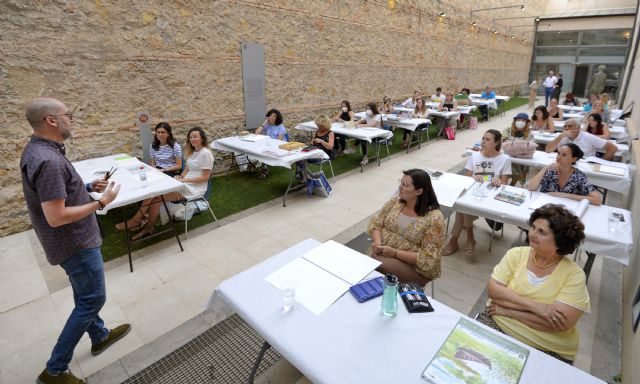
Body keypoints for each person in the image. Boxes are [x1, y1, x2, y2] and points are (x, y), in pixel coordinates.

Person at [20, 97, 130, 384]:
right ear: (51, 121)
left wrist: (87, 187)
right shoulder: (48, 160)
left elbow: (53, 193)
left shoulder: (39, 151)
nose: (72, 118)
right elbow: (56, 216)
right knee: (93, 299)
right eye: (68, 114)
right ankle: (55, 369)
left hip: (69, 243)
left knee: (84, 295)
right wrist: (100, 202)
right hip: (75, 244)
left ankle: (100, 336)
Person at [478, 204, 589, 364]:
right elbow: (494, 291)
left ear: (560, 241)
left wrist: (507, 311)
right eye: (533, 227)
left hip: (548, 347)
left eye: (542, 232)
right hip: (498, 324)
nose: (532, 234)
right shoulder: (516, 254)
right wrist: (536, 307)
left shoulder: (574, 275)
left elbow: (559, 323)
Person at [116, 127, 214, 238]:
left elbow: (205, 178)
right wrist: (180, 176)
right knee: (155, 195)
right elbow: (187, 168)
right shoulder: (193, 152)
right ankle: (146, 225)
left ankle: (137, 221)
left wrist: (184, 180)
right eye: (190, 137)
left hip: (195, 188)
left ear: (202, 138)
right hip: (185, 183)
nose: (192, 139)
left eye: (195, 136)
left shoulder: (206, 153)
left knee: (156, 195)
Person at [367, 169, 445, 286]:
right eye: (401, 183)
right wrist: (378, 242)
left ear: (419, 191)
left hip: (415, 269)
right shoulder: (395, 203)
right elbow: (376, 224)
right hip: (383, 254)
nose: (400, 187)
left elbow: (427, 258)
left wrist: (394, 253)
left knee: (374, 263)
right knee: (370, 264)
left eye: (405, 185)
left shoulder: (434, 218)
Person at [443, 130, 512, 258]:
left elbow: (505, 185)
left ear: (497, 142)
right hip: (475, 194)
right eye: (483, 138)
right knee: (463, 205)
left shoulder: (505, 159)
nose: (483, 141)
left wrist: (499, 181)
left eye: (487, 139)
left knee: (462, 207)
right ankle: (469, 238)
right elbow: (467, 177)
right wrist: (474, 177)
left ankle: (456, 240)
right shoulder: (475, 155)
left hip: (491, 199)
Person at [526, 143, 601, 205]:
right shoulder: (551, 170)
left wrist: (563, 195)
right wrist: (545, 168)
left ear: (574, 159)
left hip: (565, 211)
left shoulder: (578, 176)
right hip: (545, 206)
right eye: (558, 153)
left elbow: (597, 200)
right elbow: (531, 187)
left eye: (564, 155)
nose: (558, 157)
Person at [545, 118, 617, 160]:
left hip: (585, 165)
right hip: (566, 164)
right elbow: (548, 149)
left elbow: (613, 148)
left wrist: (602, 163)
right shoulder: (563, 136)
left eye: (569, 126)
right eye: (565, 126)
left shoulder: (588, 137)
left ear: (578, 128)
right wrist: (560, 136)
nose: (566, 128)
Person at [295, 115, 335, 180]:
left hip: (324, 155)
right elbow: (312, 143)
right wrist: (308, 144)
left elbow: (330, 147)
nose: (318, 127)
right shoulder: (318, 131)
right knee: (299, 158)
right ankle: (303, 176)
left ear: (325, 125)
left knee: (302, 159)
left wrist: (322, 141)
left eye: (320, 126)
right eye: (318, 125)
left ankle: (305, 176)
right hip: (315, 152)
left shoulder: (330, 133)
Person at [508, 112, 532, 186]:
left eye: (523, 121)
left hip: (521, 156)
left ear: (527, 123)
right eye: (518, 120)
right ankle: (506, 181)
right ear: (515, 121)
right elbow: (503, 140)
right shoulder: (508, 130)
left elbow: (529, 145)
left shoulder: (529, 133)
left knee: (518, 165)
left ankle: (513, 183)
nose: (520, 122)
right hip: (509, 154)